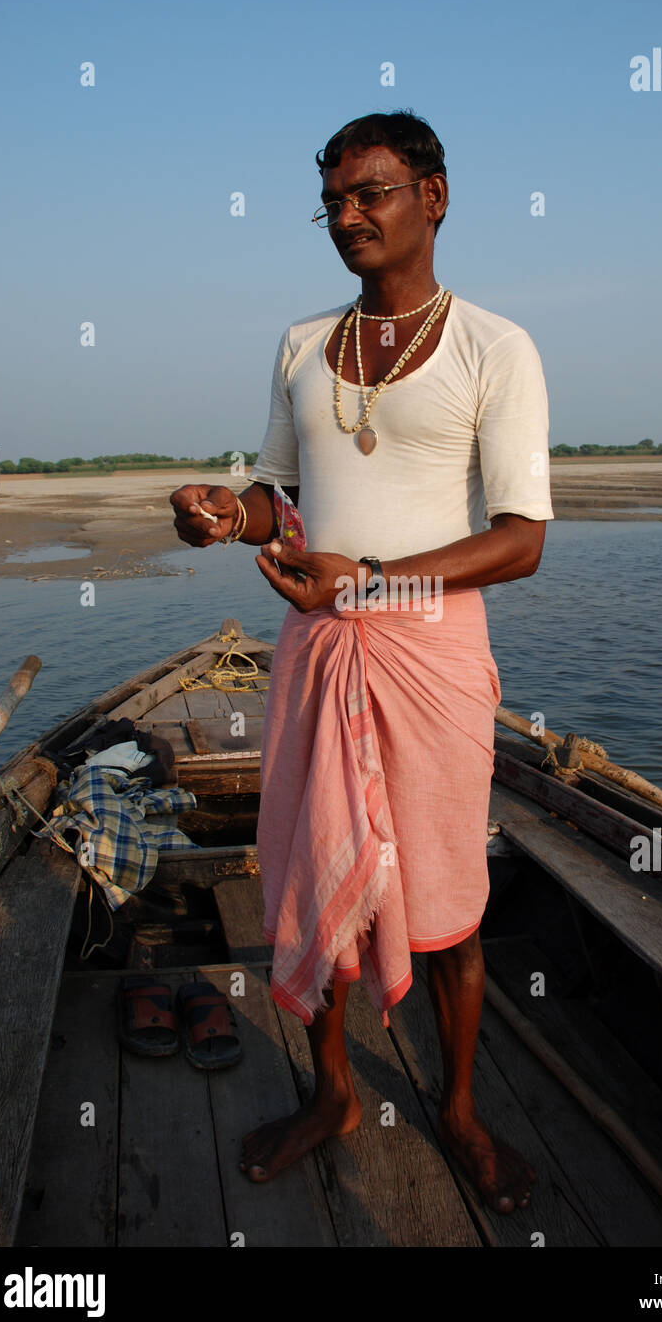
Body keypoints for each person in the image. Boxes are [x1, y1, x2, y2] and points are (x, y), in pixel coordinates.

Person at [170, 110, 553, 1214]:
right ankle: (334, 1091)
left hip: (430, 655)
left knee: (451, 901)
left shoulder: (497, 346)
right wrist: (217, 511)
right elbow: (278, 501)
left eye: (372, 193)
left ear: (434, 196)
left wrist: (371, 580)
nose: (349, 217)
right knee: (316, 870)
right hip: (317, 647)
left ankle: (463, 1109)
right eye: (333, 200)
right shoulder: (302, 344)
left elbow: (522, 539)